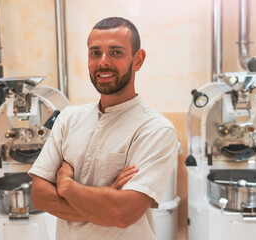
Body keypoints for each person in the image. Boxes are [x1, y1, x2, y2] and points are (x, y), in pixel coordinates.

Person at [29, 16, 178, 240]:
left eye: (116, 52)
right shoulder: (68, 118)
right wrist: (105, 200)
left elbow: (123, 213)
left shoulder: (156, 130)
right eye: (95, 53)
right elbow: (39, 195)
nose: (103, 62)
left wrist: (67, 187)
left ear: (138, 60)